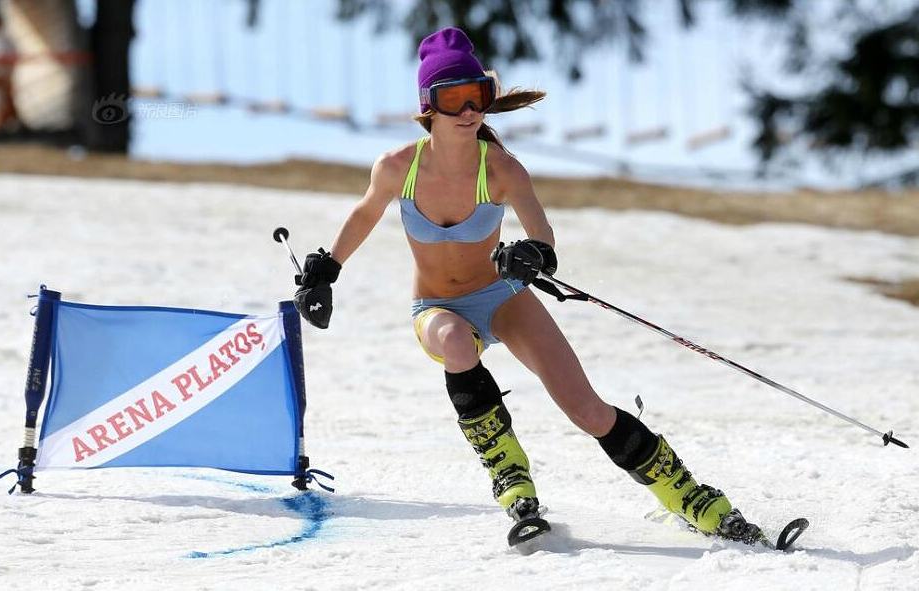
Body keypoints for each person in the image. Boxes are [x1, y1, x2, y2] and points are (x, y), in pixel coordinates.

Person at [294, 26, 760, 546]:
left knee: (587, 410)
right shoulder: (397, 167)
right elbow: (363, 215)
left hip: (502, 299)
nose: (469, 110)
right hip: (437, 305)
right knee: (454, 344)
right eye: (453, 98)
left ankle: (693, 499)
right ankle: (512, 481)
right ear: (429, 105)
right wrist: (325, 270)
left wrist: (531, 253)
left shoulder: (501, 169)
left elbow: (543, 235)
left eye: (479, 95)